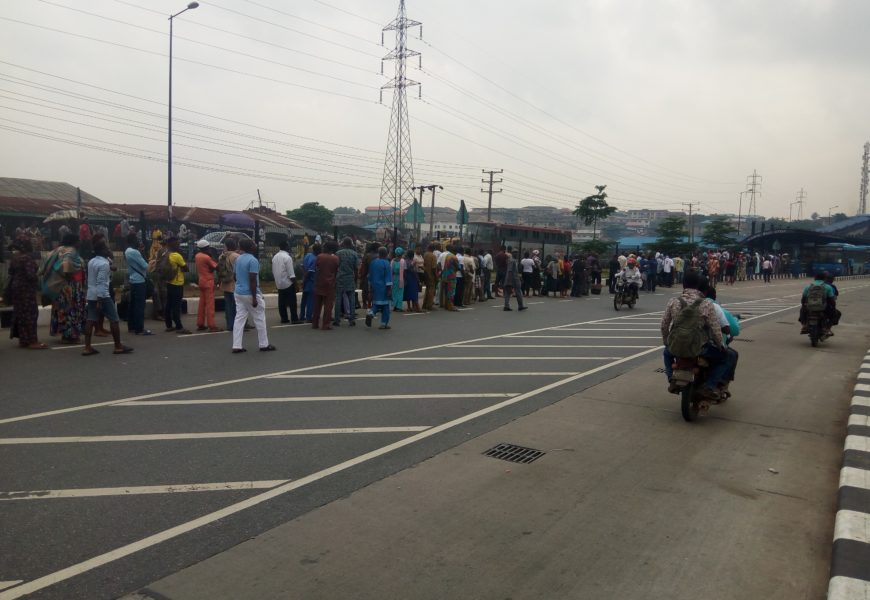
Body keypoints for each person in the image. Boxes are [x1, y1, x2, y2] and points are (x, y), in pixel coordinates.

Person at [660, 270, 727, 402]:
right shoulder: (706, 303)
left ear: (683, 285)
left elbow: (664, 325)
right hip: (700, 348)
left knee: (667, 354)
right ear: (697, 285)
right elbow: (715, 329)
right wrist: (721, 345)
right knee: (725, 357)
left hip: (677, 346)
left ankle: (671, 378)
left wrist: (667, 342)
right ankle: (710, 385)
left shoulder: (674, 301)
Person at [82, 239, 133, 356]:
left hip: (91, 294)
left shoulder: (92, 261)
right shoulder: (104, 264)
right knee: (114, 319)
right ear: (102, 250)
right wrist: (101, 300)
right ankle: (118, 346)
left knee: (91, 319)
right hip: (102, 295)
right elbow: (101, 283)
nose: (109, 250)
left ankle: (87, 347)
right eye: (106, 248)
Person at [232, 238, 275, 352]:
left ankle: (237, 345)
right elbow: (253, 279)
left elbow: (235, 276)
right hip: (250, 293)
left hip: (238, 292)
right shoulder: (253, 260)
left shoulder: (238, 259)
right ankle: (263, 344)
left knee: (239, 319)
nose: (255, 245)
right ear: (251, 247)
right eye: (254, 244)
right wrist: (255, 298)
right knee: (259, 318)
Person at [6, 236, 48, 349]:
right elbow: (30, 276)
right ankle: (33, 341)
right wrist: (38, 275)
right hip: (26, 290)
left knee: (21, 314)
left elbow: (10, 273)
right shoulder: (27, 259)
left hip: (15, 289)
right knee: (30, 314)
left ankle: (24, 340)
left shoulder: (15, 259)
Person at [50, 233, 86, 344]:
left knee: (63, 310)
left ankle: (66, 334)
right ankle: (70, 335)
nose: (80, 242)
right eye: (78, 240)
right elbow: (68, 268)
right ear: (73, 242)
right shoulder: (70, 252)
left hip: (60, 286)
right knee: (71, 310)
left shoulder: (58, 251)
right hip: (70, 286)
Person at [161, 236, 191, 334]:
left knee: (168, 304)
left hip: (169, 282)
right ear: (172, 244)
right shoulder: (177, 256)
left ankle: (169, 325)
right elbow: (186, 268)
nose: (178, 245)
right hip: (177, 283)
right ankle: (179, 327)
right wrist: (181, 267)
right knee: (176, 306)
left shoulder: (165, 253)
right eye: (177, 243)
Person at [124, 233, 152, 336]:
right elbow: (145, 266)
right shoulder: (135, 252)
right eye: (137, 240)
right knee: (140, 305)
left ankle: (131, 326)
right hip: (139, 281)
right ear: (133, 241)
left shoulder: (127, 251)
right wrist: (144, 254)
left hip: (132, 280)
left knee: (133, 304)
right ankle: (139, 329)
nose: (138, 241)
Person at [194, 239, 221, 332]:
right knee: (210, 305)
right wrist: (214, 257)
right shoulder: (206, 257)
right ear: (206, 248)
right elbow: (216, 267)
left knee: (202, 303)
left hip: (201, 281)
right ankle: (212, 325)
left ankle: (200, 323)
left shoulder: (197, 256)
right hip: (208, 281)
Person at [312, 240, 339, 330]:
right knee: (328, 305)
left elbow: (316, 268)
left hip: (319, 282)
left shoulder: (319, 256)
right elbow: (336, 270)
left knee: (317, 304)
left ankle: (315, 323)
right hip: (330, 283)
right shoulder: (335, 258)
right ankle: (325, 324)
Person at [272, 240, 300, 325]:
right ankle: (294, 319)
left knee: (282, 302)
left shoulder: (275, 257)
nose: (289, 247)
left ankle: (284, 318)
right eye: (288, 246)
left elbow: (273, 271)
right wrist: (296, 285)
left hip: (279, 283)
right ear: (286, 247)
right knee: (292, 302)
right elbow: (291, 274)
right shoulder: (287, 257)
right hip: (288, 283)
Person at [334, 237, 361, 325]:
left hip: (340, 278)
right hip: (350, 278)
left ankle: (337, 320)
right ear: (351, 244)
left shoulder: (338, 253)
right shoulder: (354, 254)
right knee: (351, 299)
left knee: (338, 299)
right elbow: (356, 269)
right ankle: (351, 319)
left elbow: (335, 267)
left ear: (343, 244)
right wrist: (356, 279)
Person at [366, 246, 392, 329]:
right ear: (386, 254)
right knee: (386, 305)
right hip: (383, 287)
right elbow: (388, 277)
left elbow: (370, 276)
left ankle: (371, 313)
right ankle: (384, 323)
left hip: (374, 286)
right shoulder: (386, 263)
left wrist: (371, 288)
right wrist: (389, 289)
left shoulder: (373, 262)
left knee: (376, 303)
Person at [218, 237, 240, 330]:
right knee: (236, 306)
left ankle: (229, 324)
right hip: (235, 284)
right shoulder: (236, 256)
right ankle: (237, 324)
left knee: (228, 305)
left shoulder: (221, 256)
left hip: (225, 283)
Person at [299, 243, 319, 323]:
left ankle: (302, 316)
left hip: (306, 280)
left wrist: (303, 279)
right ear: (317, 250)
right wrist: (305, 279)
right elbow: (310, 272)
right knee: (311, 300)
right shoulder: (315, 259)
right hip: (311, 281)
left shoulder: (307, 255)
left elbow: (302, 266)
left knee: (304, 299)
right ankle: (309, 317)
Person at [439, 246, 459, 311]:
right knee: (451, 292)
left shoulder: (447, 256)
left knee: (446, 291)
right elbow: (458, 267)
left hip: (445, 275)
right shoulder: (454, 257)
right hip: (451, 276)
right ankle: (450, 306)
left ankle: (446, 305)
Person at [404, 247, 422, 313]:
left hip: (407, 278)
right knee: (414, 293)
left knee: (408, 292)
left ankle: (409, 307)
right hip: (413, 278)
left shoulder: (405, 260)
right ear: (412, 255)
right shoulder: (412, 262)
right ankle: (417, 307)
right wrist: (418, 280)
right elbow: (414, 271)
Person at [422, 244, 438, 311]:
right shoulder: (433, 256)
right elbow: (434, 268)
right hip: (431, 275)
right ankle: (429, 305)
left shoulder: (425, 254)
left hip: (425, 274)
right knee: (431, 290)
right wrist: (436, 276)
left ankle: (424, 304)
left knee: (427, 290)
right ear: (433, 249)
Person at [391, 247, 407, 311]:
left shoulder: (392, 261)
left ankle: (394, 306)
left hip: (393, 278)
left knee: (394, 292)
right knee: (400, 292)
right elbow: (404, 271)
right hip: (401, 278)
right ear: (402, 253)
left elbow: (390, 270)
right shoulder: (403, 261)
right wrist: (405, 279)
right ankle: (398, 307)